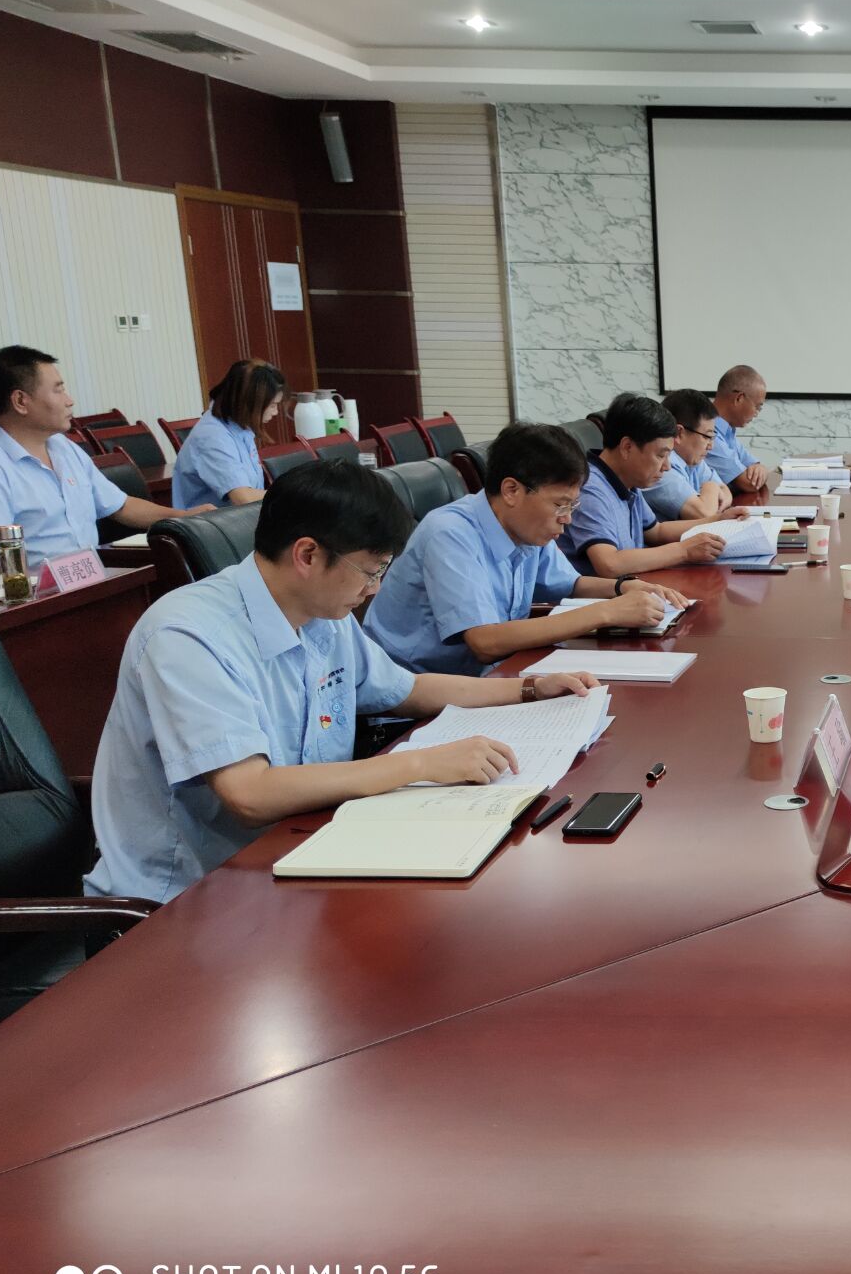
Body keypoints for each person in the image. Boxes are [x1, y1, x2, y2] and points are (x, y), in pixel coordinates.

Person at [83, 461, 600, 904]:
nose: (374, 590)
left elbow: (406, 690)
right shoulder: (189, 635)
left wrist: (529, 690)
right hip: (186, 898)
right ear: (308, 555)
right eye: (371, 571)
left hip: (301, 851)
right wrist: (420, 764)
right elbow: (249, 794)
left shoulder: (321, 613)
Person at [363, 421, 688, 675]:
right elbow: (485, 642)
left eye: (572, 505)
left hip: (490, 675)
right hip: (415, 701)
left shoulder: (525, 526)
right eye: (560, 505)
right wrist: (607, 612)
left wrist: (625, 587)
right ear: (511, 490)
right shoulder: (450, 534)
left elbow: (570, 583)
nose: (567, 518)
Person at [0, 345, 209, 560]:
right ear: (20, 401)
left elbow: (121, 506)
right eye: (58, 390)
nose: (69, 400)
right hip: (38, 583)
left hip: (94, 574)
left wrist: (183, 517)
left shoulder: (63, 447)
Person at [562, 393, 727, 577]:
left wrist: (719, 520)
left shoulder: (627, 480)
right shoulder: (589, 488)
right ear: (627, 447)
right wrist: (684, 551)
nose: (667, 466)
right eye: (661, 455)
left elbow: (656, 531)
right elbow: (609, 563)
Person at [170, 359, 285, 510]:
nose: (276, 412)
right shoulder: (213, 436)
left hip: (239, 516)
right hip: (208, 522)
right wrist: (291, 494)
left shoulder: (240, 426)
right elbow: (243, 498)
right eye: (272, 405)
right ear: (248, 403)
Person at [644, 387, 734, 522]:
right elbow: (704, 515)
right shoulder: (661, 466)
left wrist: (712, 498)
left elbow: (725, 492)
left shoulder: (693, 460)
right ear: (679, 433)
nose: (711, 446)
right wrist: (711, 487)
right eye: (707, 436)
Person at [707, 364, 770, 493]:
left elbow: (755, 465)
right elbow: (750, 483)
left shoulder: (727, 430)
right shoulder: (708, 434)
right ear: (739, 398)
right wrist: (759, 473)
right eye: (757, 407)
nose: (756, 414)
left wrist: (761, 468)